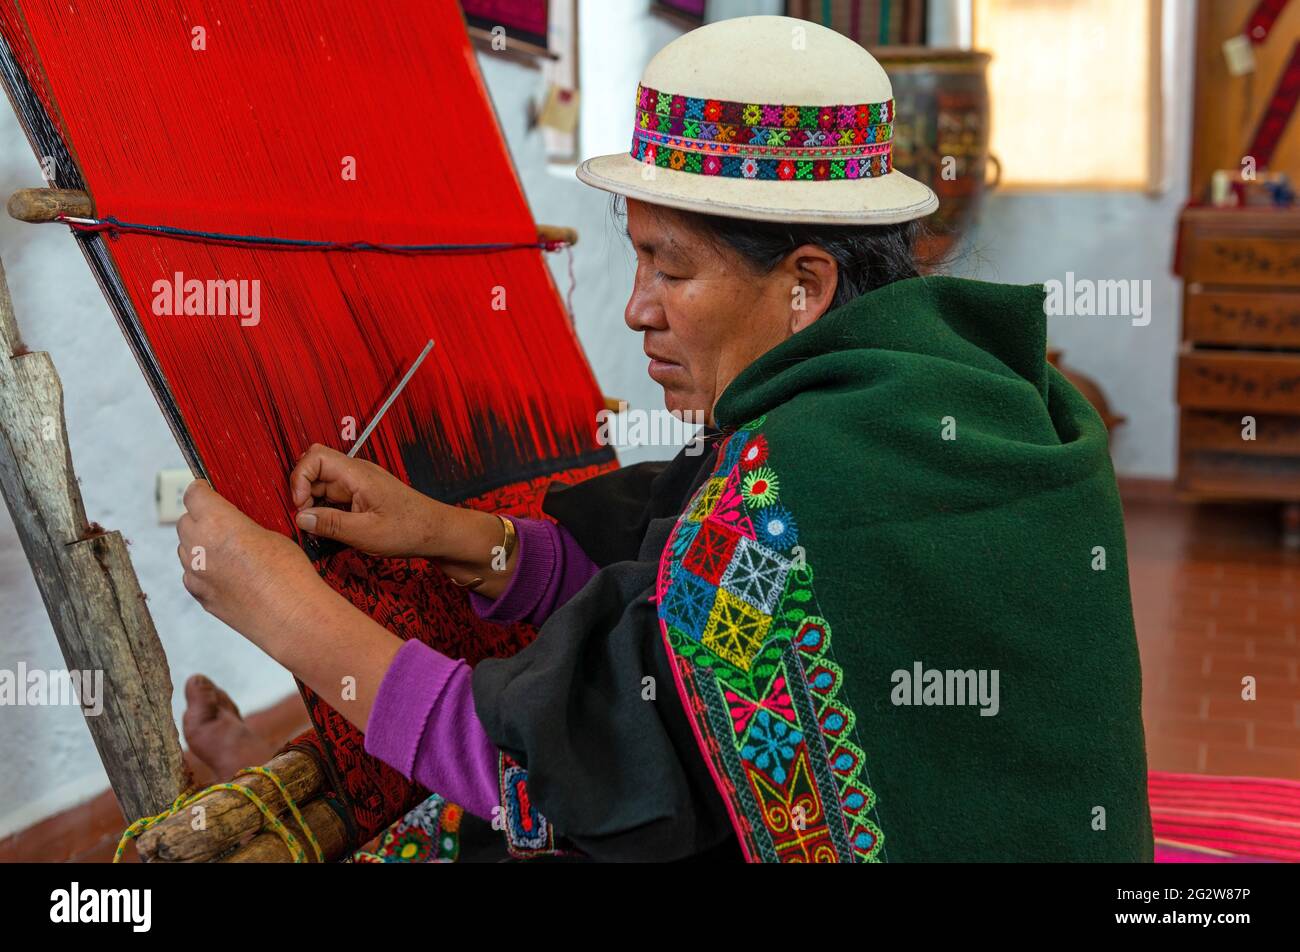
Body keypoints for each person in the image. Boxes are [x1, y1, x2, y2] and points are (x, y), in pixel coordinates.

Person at [177, 15, 1153, 862]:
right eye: (634, 257)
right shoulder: (940, 385)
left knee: (479, 835)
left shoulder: (807, 486)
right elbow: (665, 575)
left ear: (803, 282)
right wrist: (444, 530)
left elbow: (550, 764)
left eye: (670, 266)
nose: (638, 307)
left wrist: (281, 605)